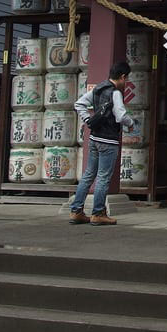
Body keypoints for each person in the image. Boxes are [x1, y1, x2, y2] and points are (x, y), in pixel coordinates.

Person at [71, 60, 133, 225]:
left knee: (88, 175)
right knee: (103, 177)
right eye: (126, 79)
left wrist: (88, 120)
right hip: (108, 140)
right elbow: (120, 116)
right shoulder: (115, 93)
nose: (125, 83)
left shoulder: (98, 88)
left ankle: (76, 211)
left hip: (94, 138)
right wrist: (131, 123)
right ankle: (98, 213)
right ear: (122, 76)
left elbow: (79, 104)